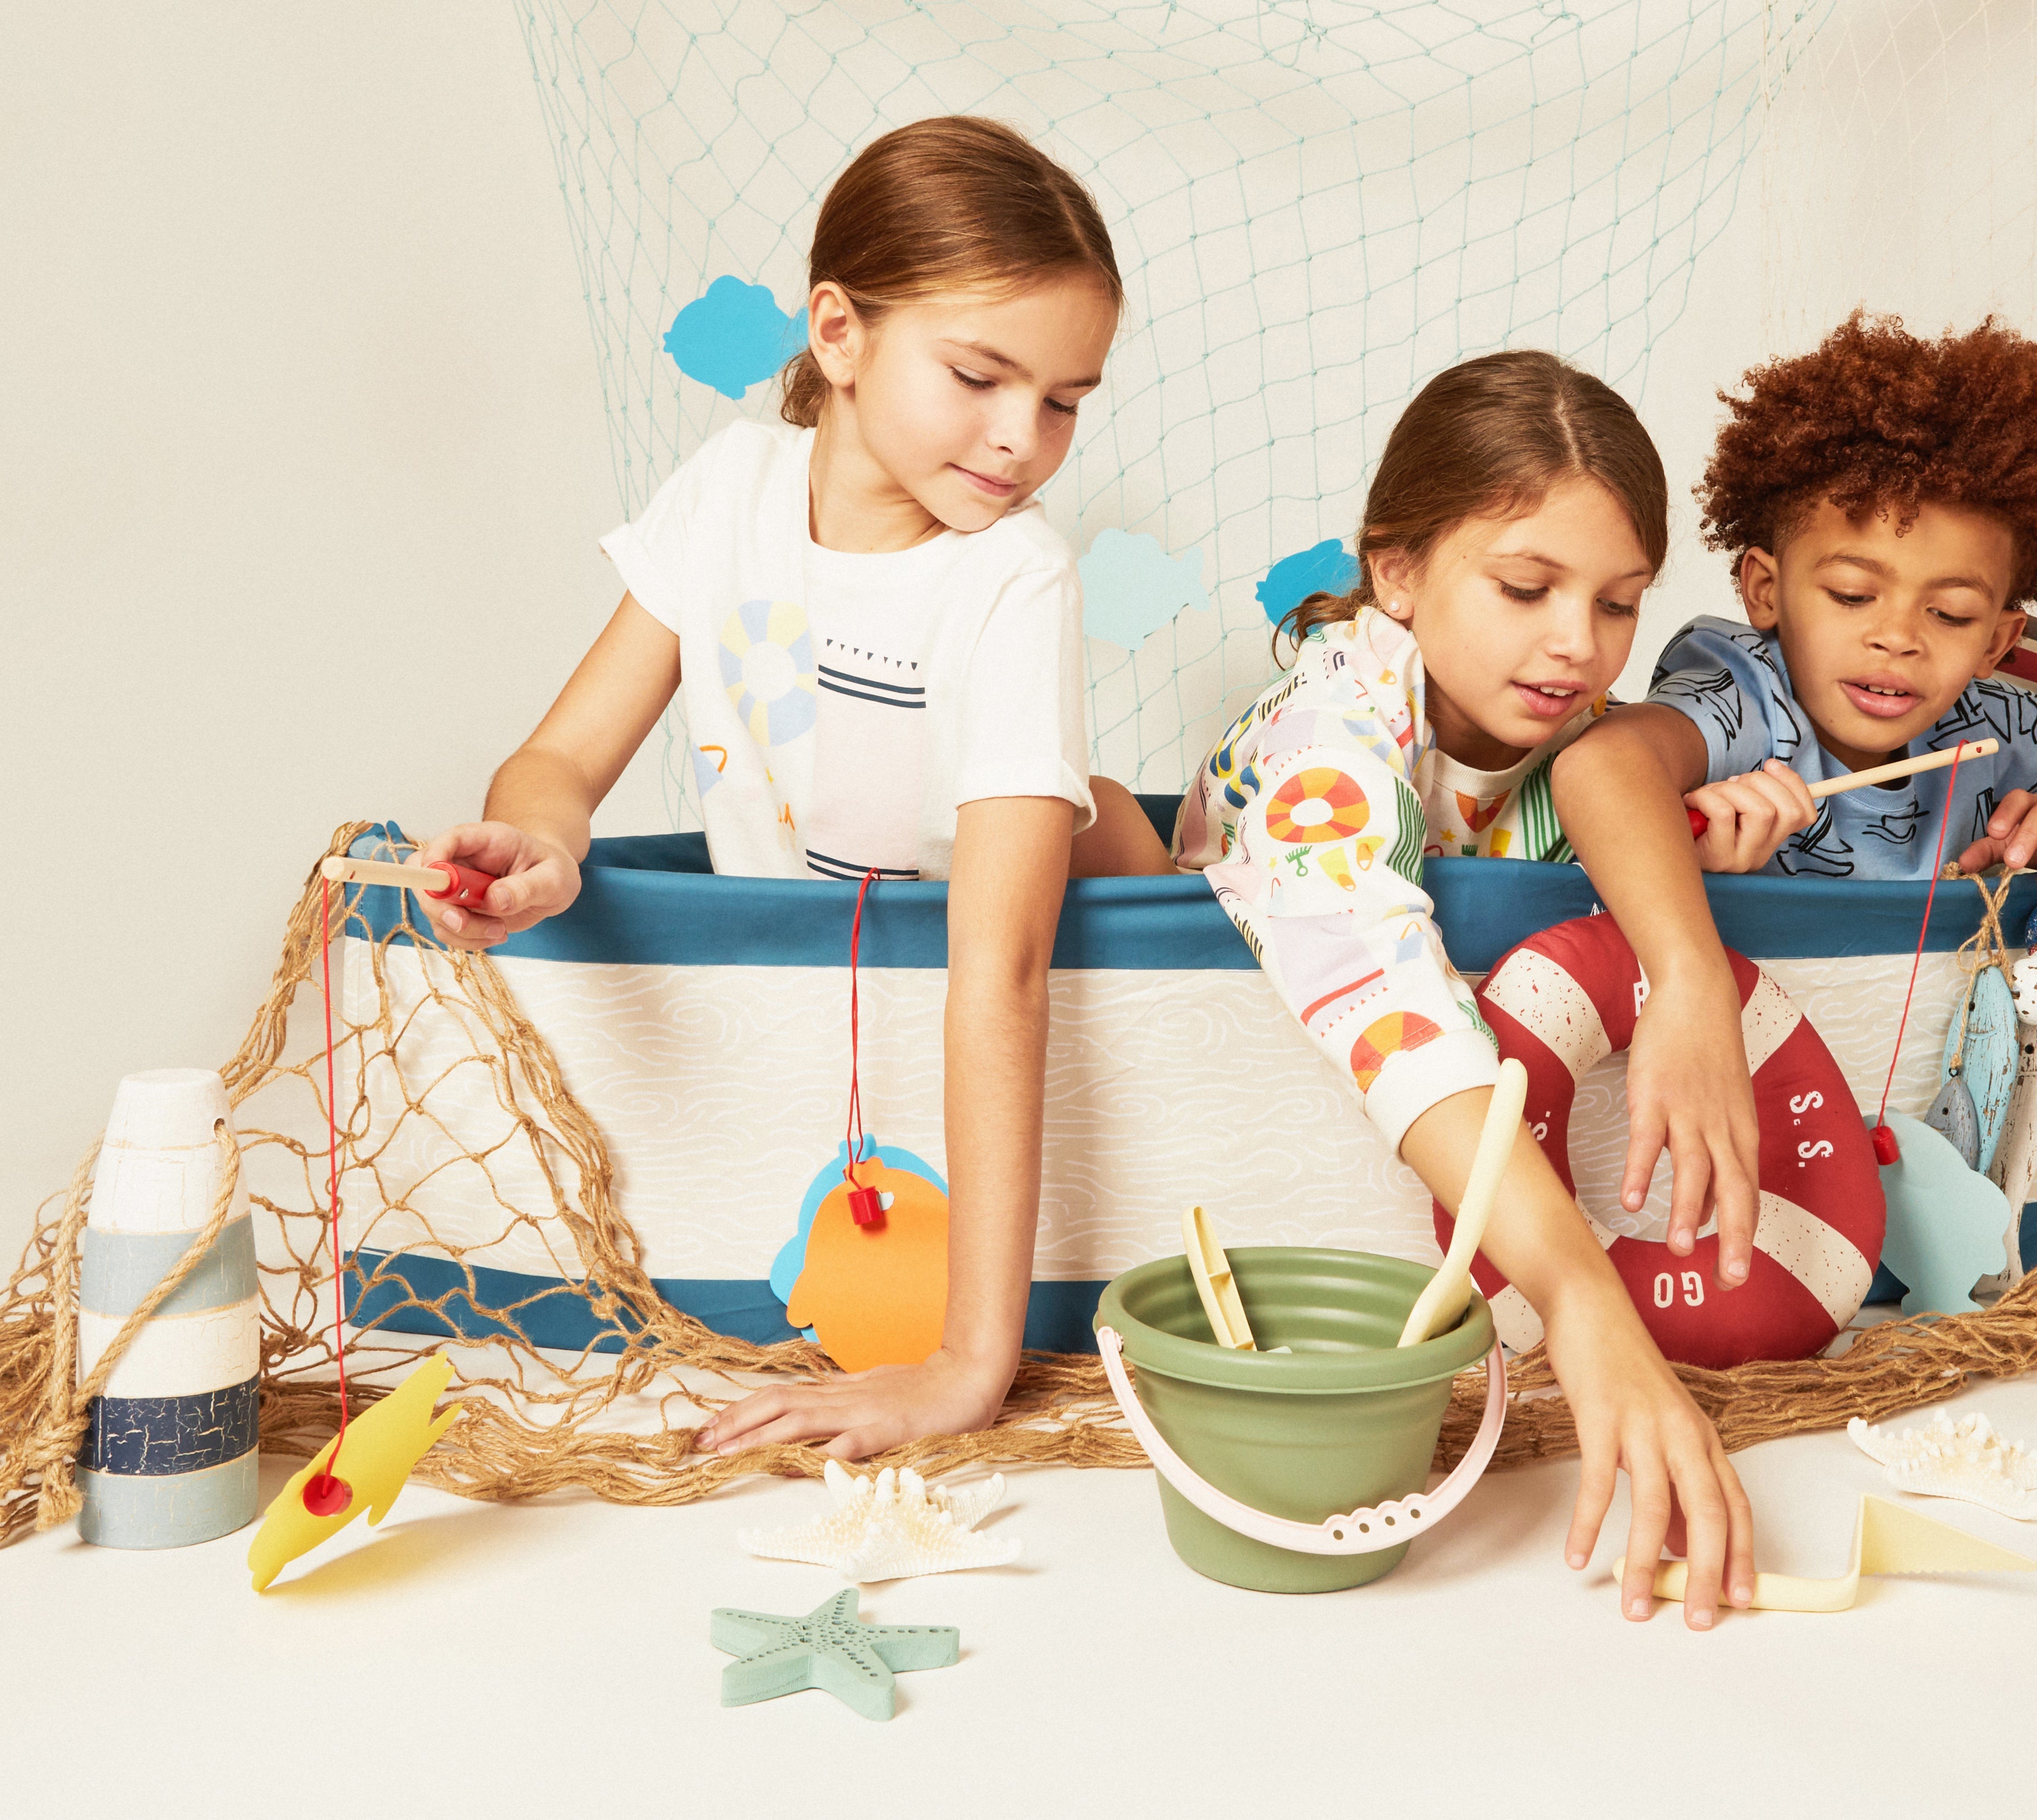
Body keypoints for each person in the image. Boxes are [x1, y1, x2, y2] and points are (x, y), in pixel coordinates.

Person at [416, 116, 1169, 1459]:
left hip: (1030, 909)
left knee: (1109, 849)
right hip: (833, 964)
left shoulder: (1010, 572)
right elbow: (561, 757)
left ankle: (1189, 833)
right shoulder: (726, 495)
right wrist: (538, 842)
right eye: (981, 378)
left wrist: (965, 1362)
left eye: (1063, 400)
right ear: (838, 332)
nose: (1022, 441)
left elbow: (1000, 972)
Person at [1174, 350, 1761, 1628]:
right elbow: (1386, 993)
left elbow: (1599, 807)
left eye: (1618, 603)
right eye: (1523, 586)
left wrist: (1696, 939)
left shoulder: (1579, 738)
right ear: (1394, 570)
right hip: (1261, 1026)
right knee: (1104, 838)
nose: (1576, 643)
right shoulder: (1326, 741)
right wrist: (1581, 1300)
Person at [1548, 311, 2037, 1289]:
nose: (1899, 638)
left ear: (2002, 638)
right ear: (1766, 590)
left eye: (1952, 613)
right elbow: (1599, 767)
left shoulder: (1997, 722)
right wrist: (1687, 975)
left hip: (1951, 1160)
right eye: (1851, 595)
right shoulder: (1743, 695)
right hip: (1749, 1155)